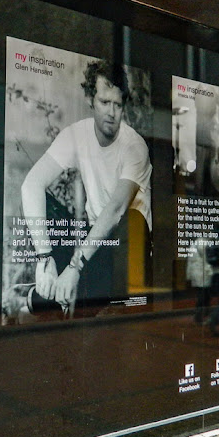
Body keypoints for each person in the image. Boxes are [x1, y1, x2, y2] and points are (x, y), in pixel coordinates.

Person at [21, 60, 152, 314]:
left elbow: (115, 210)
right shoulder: (76, 134)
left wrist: (75, 266)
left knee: (130, 220)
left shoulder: (135, 146)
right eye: (105, 102)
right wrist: (44, 256)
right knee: (37, 201)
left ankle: (61, 296)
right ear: (90, 99)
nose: (112, 113)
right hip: (94, 239)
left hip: (126, 243)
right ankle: (55, 284)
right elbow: (32, 184)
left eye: (117, 104)